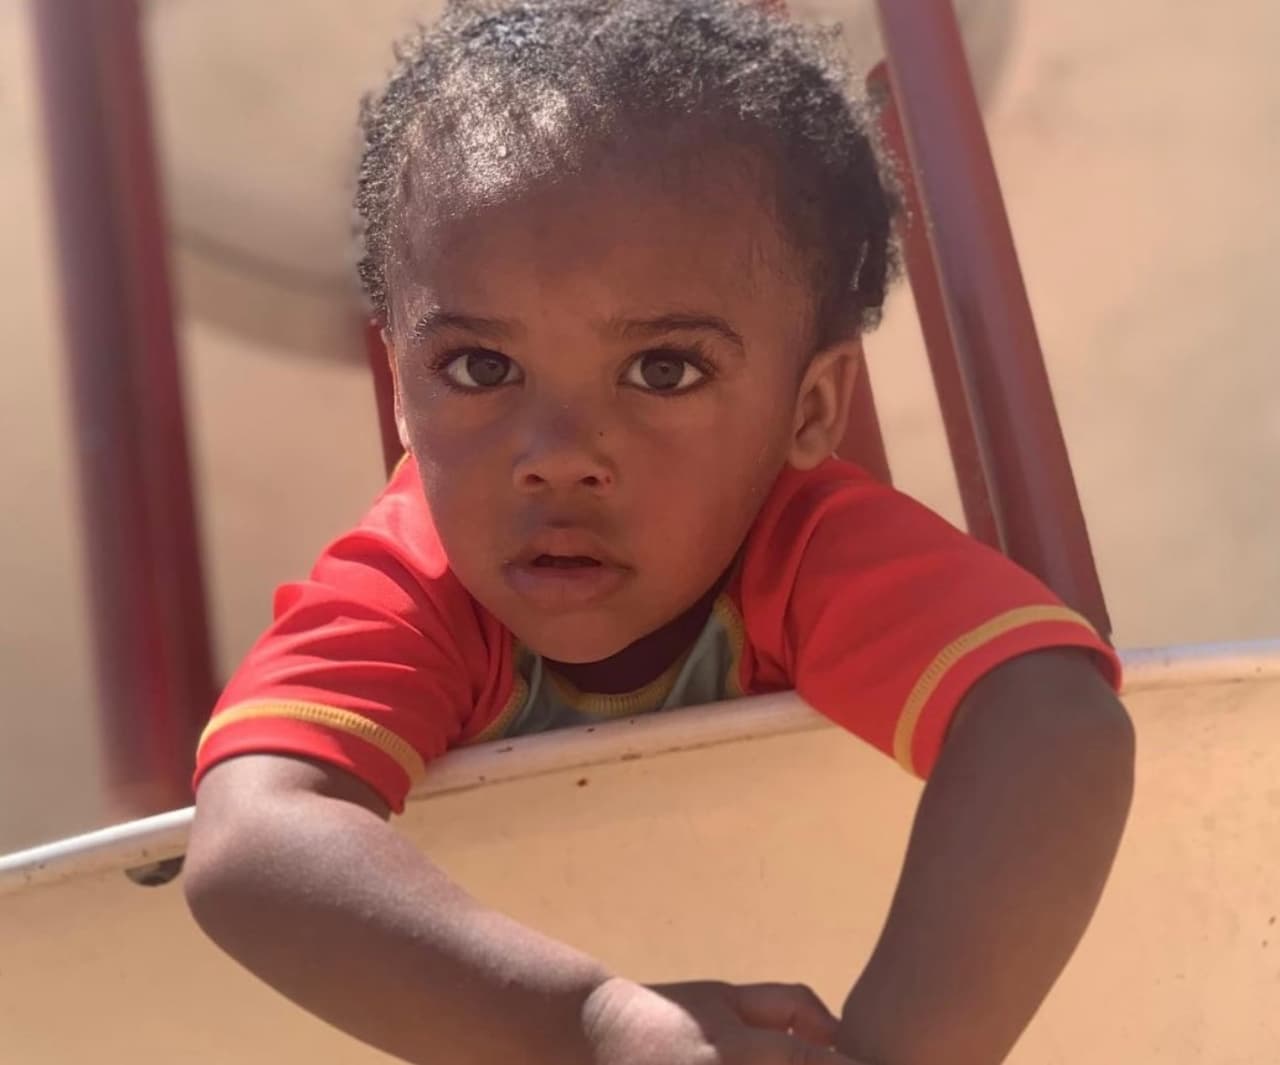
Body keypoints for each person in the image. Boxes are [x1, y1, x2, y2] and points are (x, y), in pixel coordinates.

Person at [183, 1, 1135, 1062]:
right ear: (400, 397)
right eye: (480, 368)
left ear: (809, 410)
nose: (557, 451)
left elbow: (1055, 725)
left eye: (662, 370)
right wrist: (585, 1025)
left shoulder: (807, 547)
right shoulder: (413, 582)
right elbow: (252, 842)